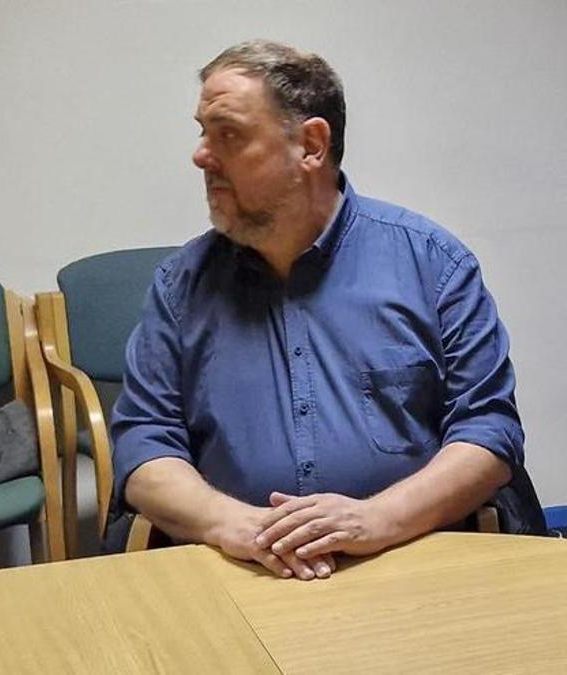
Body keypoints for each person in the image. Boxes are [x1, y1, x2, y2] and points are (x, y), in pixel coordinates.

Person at [110, 40, 544, 581]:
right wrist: (237, 526)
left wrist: (375, 520)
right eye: (202, 131)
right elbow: (144, 444)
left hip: (412, 555)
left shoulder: (433, 264)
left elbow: (487, 432)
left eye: (229, 134)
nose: (201, 154)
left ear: (311, 145)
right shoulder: (182, 286)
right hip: (238, 567)